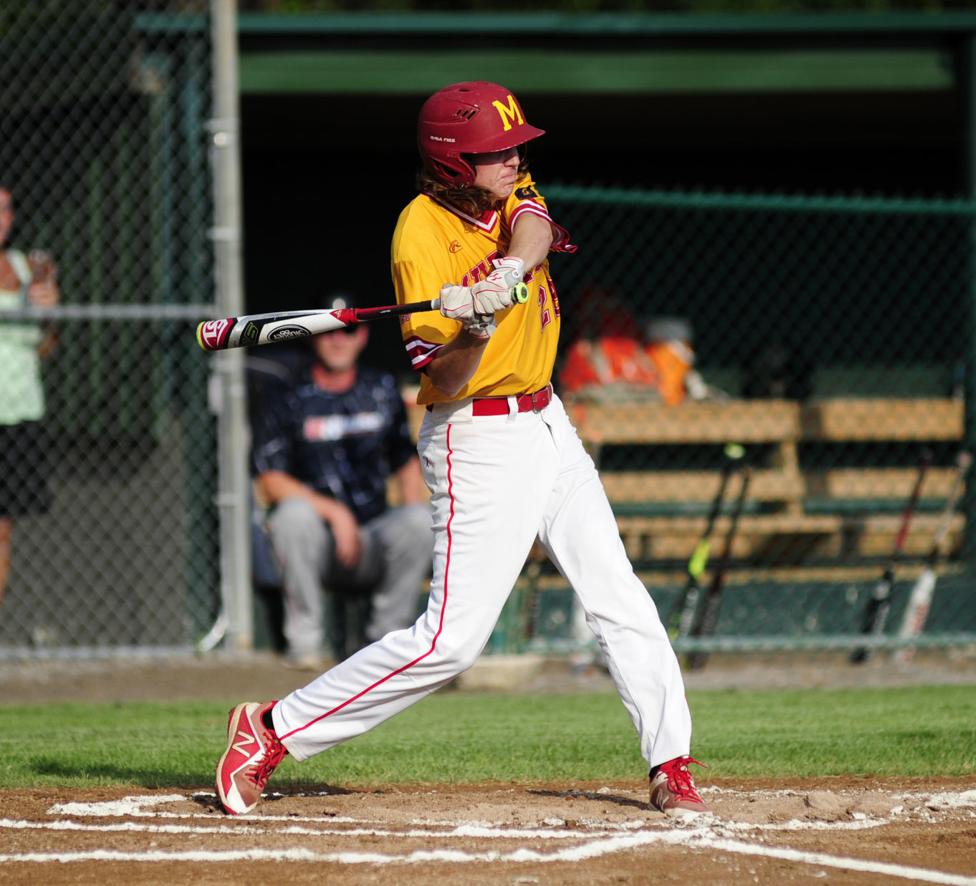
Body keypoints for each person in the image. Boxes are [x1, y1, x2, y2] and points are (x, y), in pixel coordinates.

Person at [217, 81, 709, 820]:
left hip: (549, 421)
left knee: (618, 595)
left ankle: (671, 763)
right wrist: (473, 325)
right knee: (450, 642)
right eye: (493, 152)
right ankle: (270, 730)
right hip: (476, 435)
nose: (512, 159)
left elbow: (536, 228)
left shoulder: (508, 191)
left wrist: (503, 277)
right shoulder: (419, 236)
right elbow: (441, 378)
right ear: (452, 162)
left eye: (514, 147)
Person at [250, 292, 433, 668]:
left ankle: (384, 649)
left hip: (372, 538)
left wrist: (413, 510)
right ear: (313, 335)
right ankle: (306, 647)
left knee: (418, 521)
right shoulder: (286, 395)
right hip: (315, 542)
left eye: (346, 331)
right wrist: (335, 514)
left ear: (361, 337)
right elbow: (271, 480)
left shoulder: (380, 389)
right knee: (291, 516)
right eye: (328, 331)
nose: (337, 340)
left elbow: (405, 463)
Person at [0, 184, 59, 611]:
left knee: (3, 530)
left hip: (18, 409)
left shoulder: (25, 268)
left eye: (4, 210)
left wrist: (51, 312)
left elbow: (44, 347)